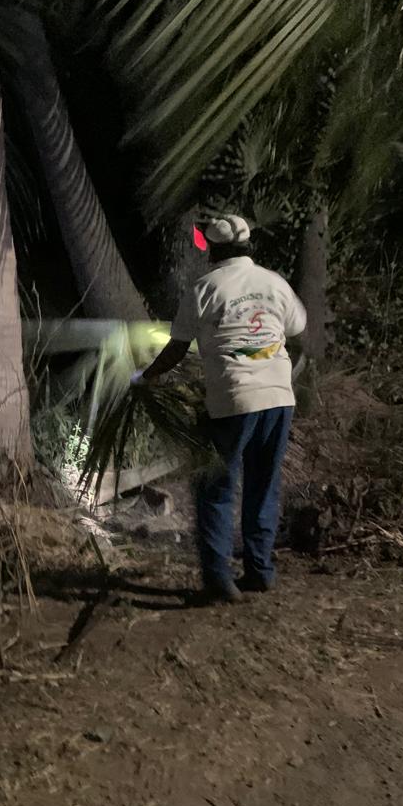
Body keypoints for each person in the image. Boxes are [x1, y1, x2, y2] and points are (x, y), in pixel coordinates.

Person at [136, 215, 306, 603]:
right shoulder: (274, 282)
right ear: (247, 245)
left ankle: (218, 580)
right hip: (279, 398)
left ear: (211, 249)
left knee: (214, 486)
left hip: (234, 398)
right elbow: (298, 332)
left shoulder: (205, 287)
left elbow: (177, 348)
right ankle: (260, 571)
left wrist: (146, 377)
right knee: (263, 485)